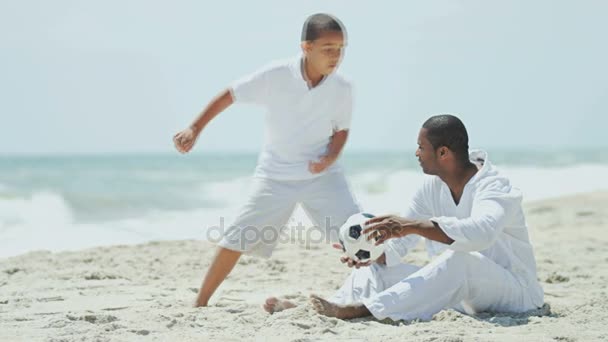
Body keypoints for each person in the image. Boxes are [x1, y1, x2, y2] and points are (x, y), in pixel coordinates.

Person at [266, 114, 545, 321]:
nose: (416, 153)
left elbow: (481, 233)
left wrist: (410, 226)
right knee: (375, 268)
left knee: (459, 259)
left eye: (421, 147)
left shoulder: (495, 186)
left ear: (443, 153)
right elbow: (397, 247)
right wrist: (371, 253)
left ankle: (361, 309)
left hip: (515, 294)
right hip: (463, 298)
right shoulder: (431, 188)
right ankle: (331, 307)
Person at [173, 13, 360, 307]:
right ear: (306, 47)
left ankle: (379, 293)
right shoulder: (276, 75)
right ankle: (201, 302)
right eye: (328, 48)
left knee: (359, 233)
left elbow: (341, 131)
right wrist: (194, 128)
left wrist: (328, 158)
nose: (336, 56)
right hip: (275, 176)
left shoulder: (343, 88)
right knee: (236, 237)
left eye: (341, 48)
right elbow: (229, 95)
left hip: (323, 177)